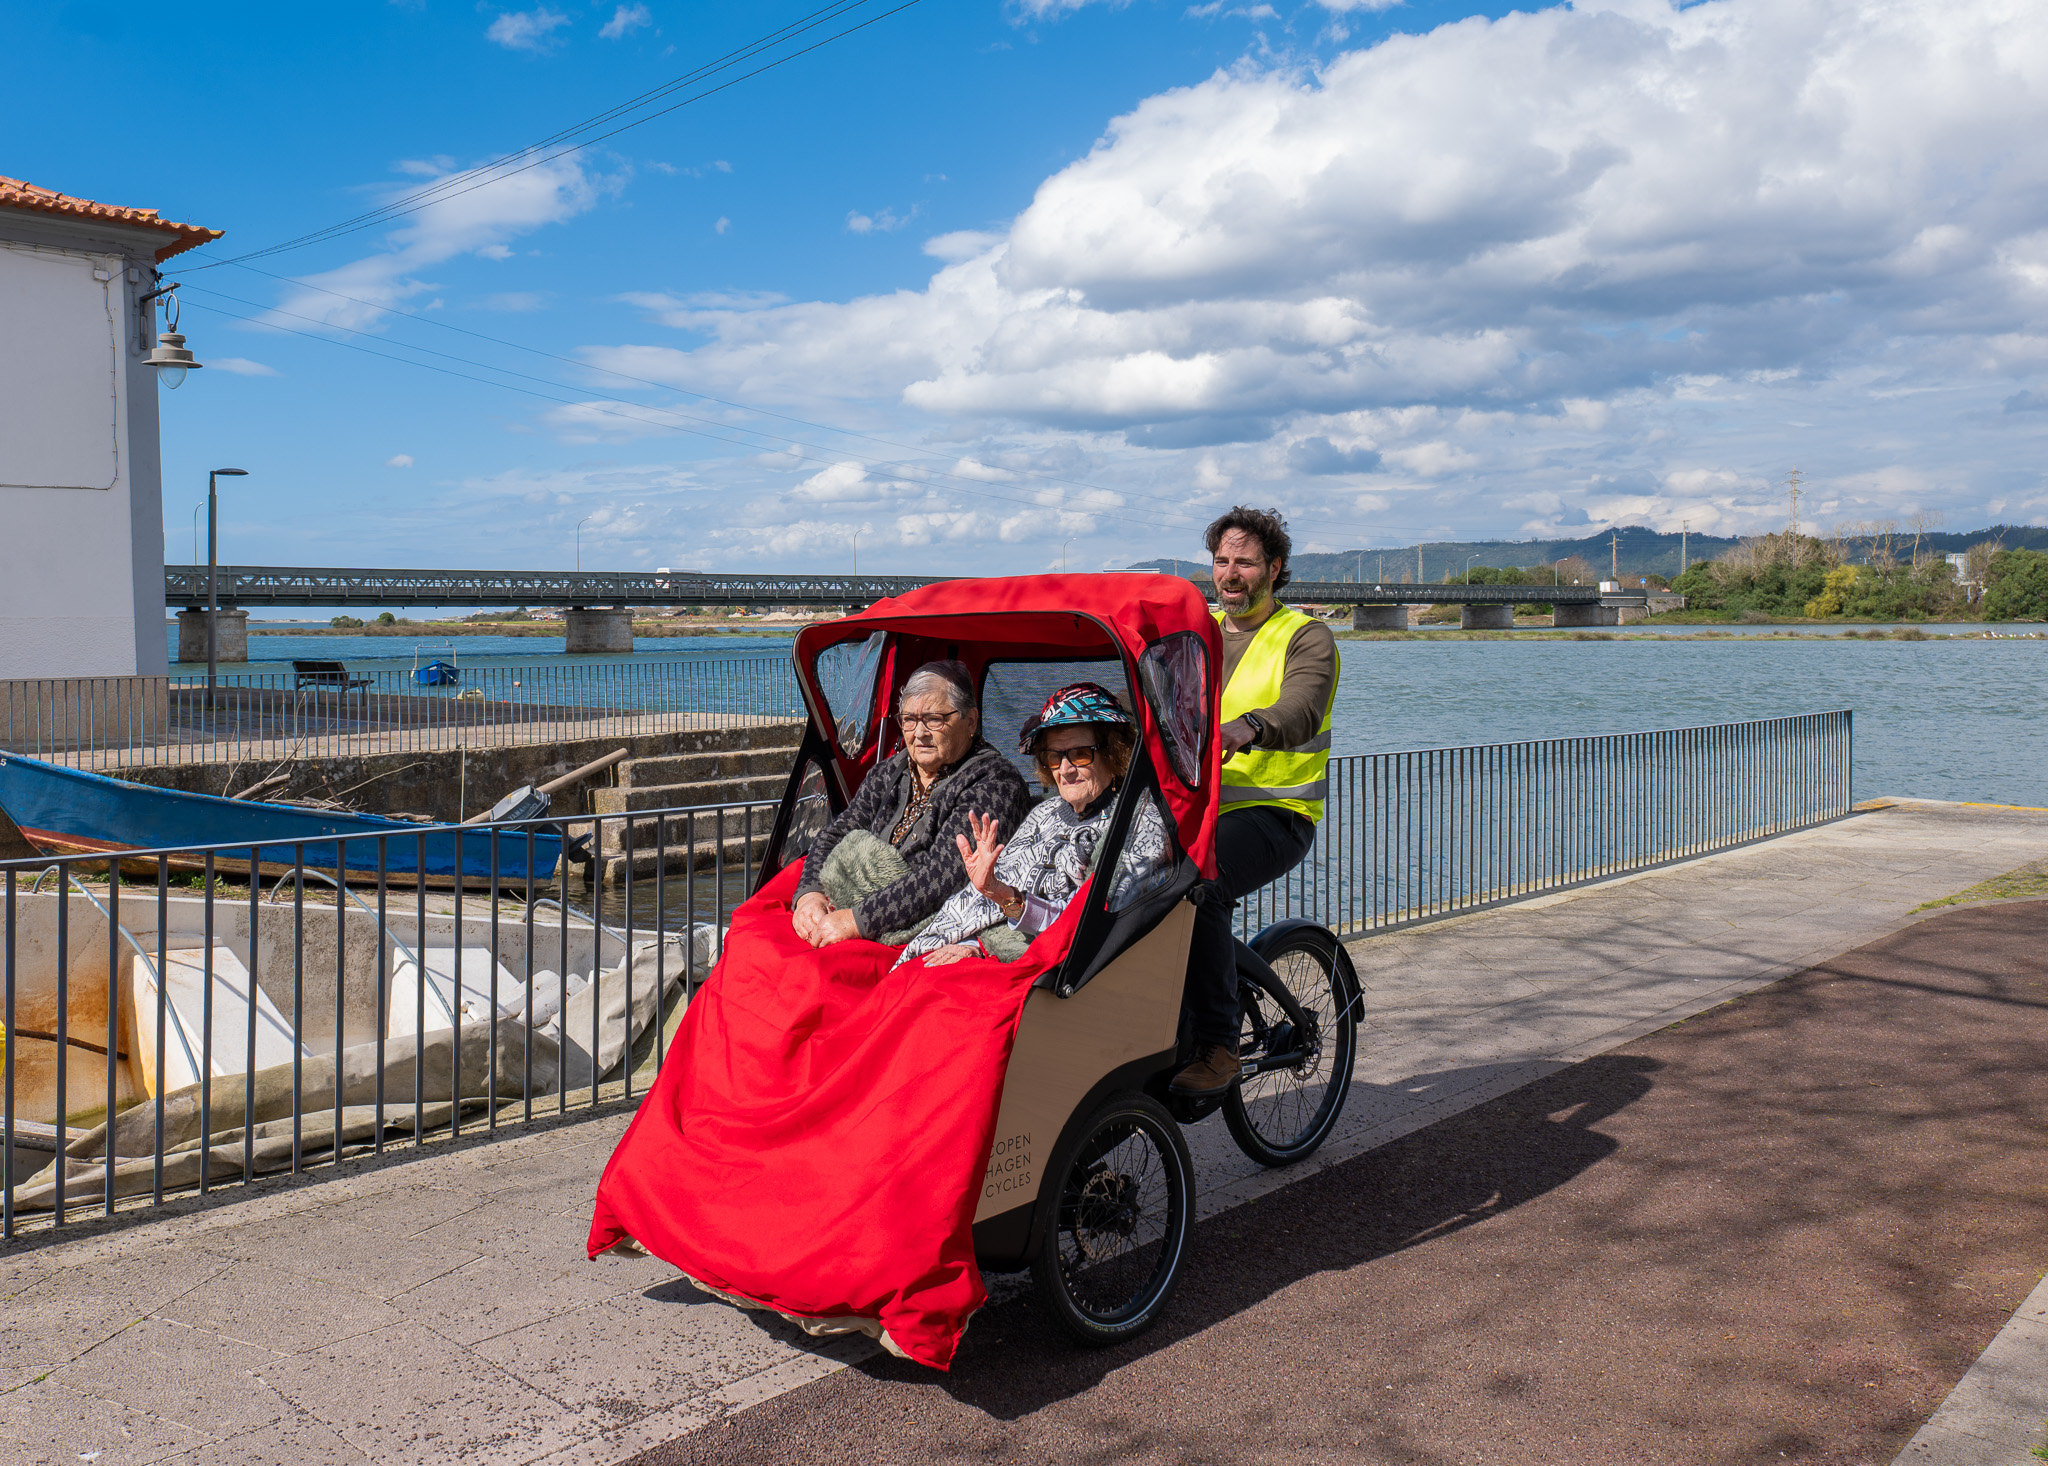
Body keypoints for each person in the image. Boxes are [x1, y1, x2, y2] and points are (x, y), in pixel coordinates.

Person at [1171, 506, 1339, 1096]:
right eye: (1221, 561)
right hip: (1196, 811)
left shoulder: (1305, 636)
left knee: (1203, 882)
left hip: (1276, 813)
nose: (1230, 574)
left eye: (1244, 561)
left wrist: (1249, 727)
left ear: (1274, 567)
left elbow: (1302, 706)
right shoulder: (1194, 636)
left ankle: (1219, 1046)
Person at [900, 683, 1170, 968]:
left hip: (1058, 972)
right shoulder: (1045, 813)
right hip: (986, 948)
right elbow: (985, 904)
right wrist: (974, 938)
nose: (1065, 769)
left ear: (1114, 752)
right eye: (1054, 756)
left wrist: (1002, 898)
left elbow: (1083, 929)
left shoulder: (1138, 823)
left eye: (1080, 754)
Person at [791, 659, 1033, 949]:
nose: (919, 733)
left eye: (934, 719)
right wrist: (810, 894)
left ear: (970, 721)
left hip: (926, 931)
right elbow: (837, 831)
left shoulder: (996, 782)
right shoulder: (890, 771)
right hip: (853, 904)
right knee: (757, 936)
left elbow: (943, 877)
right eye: (909, 720)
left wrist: (856, 920)